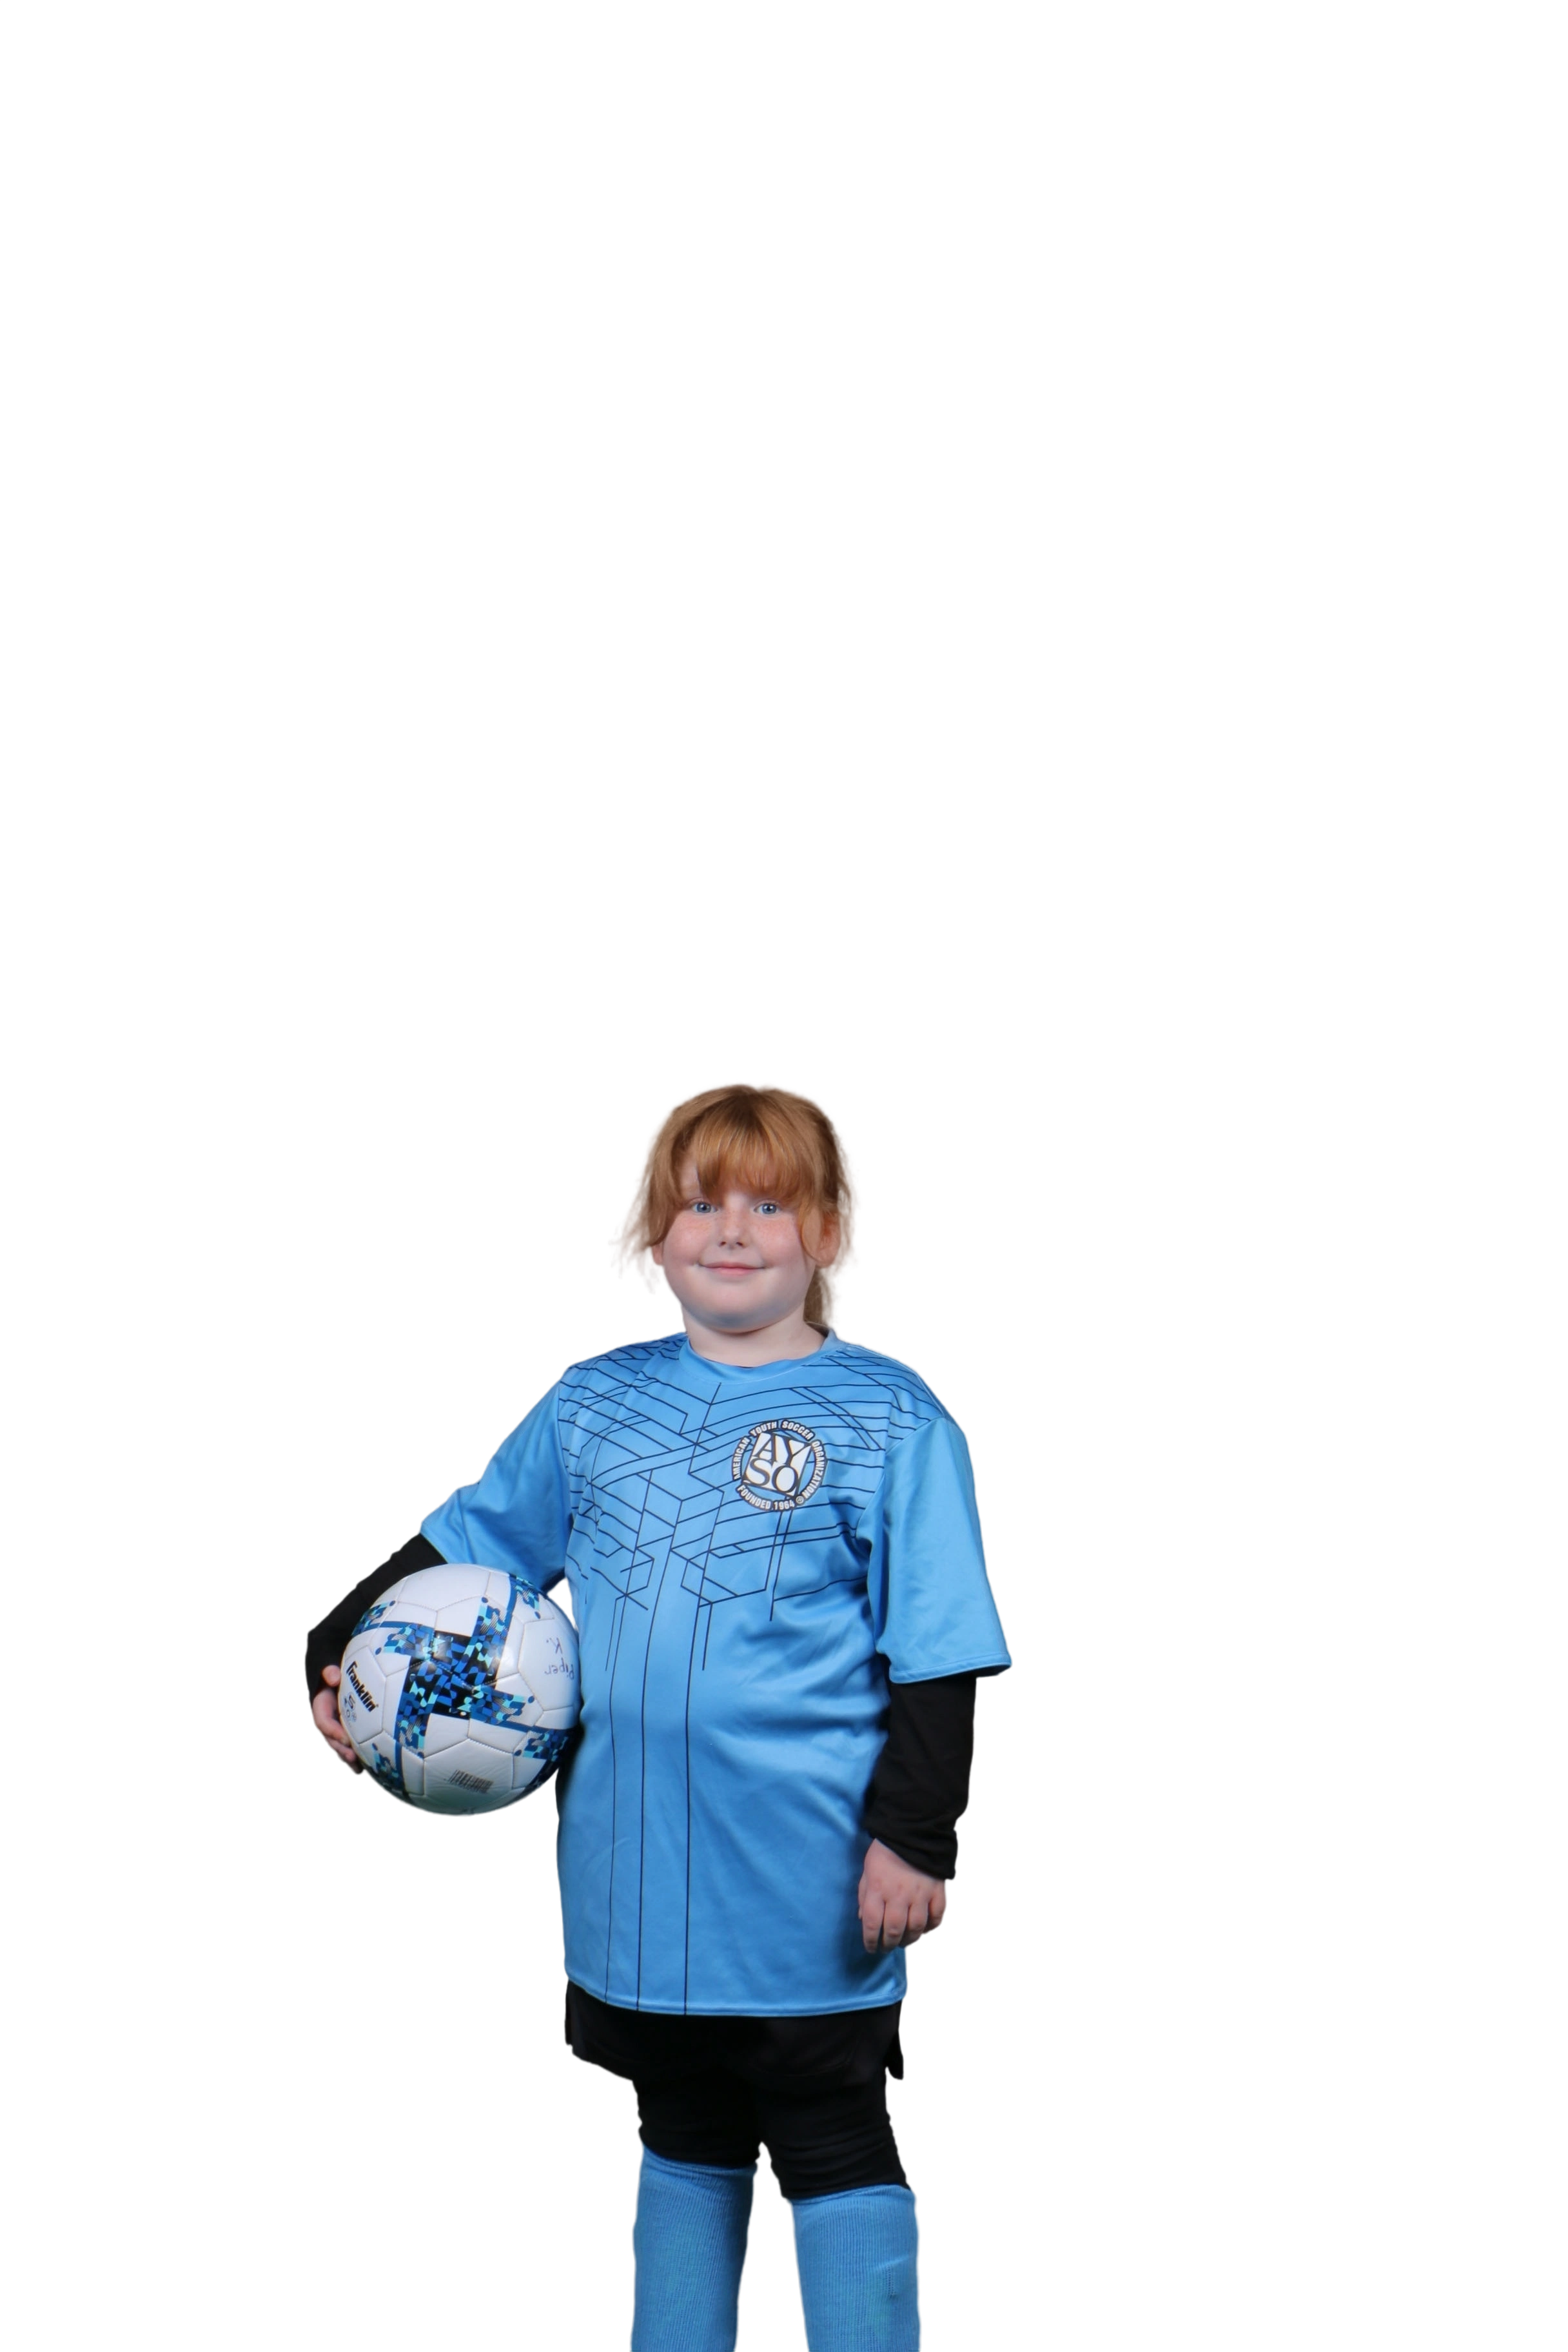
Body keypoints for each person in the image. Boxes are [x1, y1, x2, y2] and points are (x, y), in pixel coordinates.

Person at [302, 1079, 1014, 2352]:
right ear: (649, 1236)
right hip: (633, 1870)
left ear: (829, 1233)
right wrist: (335, 1655)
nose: (731, 1230)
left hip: (807, 1873)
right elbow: (471, 1541)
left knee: (831, 2131)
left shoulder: (891, 1418)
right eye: (699, 1204)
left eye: (769, 1205)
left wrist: (916, 1836)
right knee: (681, 2125)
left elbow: (938, 1650)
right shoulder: (592, 1406)